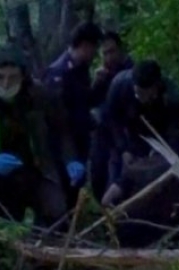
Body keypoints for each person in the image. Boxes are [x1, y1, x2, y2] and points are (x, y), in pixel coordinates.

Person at [0, 42, 82, 229]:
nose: (6, 84)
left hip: (35, 171)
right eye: (0, 77)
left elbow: (62, 131)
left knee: (56, 211)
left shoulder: (40, 97)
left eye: (13, 77)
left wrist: (70, 159)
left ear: (23, 76)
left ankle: (48, 252)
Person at [102, 59, 179, 189]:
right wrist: (124, 148)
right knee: (118, 172)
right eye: (137, 93)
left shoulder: (170, 95)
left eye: (143, 94)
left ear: (155, 87)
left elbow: (175, 131)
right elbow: (112, 121)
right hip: (128, 132)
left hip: (158, 133)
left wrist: (163, 154)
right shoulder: (120, 85)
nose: (139, 97)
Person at [41, 21, 104, 183]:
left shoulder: (82, 70)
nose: (95, 53)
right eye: (94, 48)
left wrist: (98, 86)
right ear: (84, 45)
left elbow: (84, 102)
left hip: (81, 142)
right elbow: (55, 117)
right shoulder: (58, 73)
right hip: (64, 149)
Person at [90, 30, 135, 200]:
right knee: (98, 173)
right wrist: (96, 84)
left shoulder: (131, 72)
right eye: (105, 53)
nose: (109, 57)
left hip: (126, 130)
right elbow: (92, 102)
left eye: (112, 51)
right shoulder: (103, 74)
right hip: (104, 131)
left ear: (120, 49)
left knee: (119, 175)